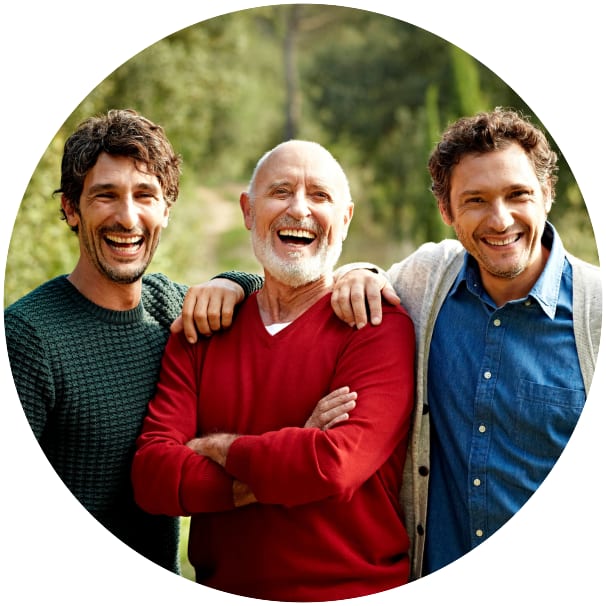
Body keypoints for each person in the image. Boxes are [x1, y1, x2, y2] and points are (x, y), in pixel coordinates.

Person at [131, 140, 416, 601]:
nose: (299, 209)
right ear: (247, 210)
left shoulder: (377, 325)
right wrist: (290, 456)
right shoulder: (201, 330)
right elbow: (153, 476)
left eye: (320, 196)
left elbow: (332, 466)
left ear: (345, 218)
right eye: (280, 191)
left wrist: (217, 447)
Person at [329, 107, 602, 577]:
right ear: (446, 211)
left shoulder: (595, 314)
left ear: (547, 195)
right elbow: (333, 287)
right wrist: (356, 273)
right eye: (475, 200)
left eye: (518, 195)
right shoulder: (426, 281)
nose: (500, 221)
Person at [3, 109, 262, 573]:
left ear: (165, 210)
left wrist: (237, 282)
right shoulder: (28, 337)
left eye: (145, 195)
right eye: (105, 196)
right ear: (70, 209)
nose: (128, 217)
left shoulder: (174, 309)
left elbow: (281, 306)